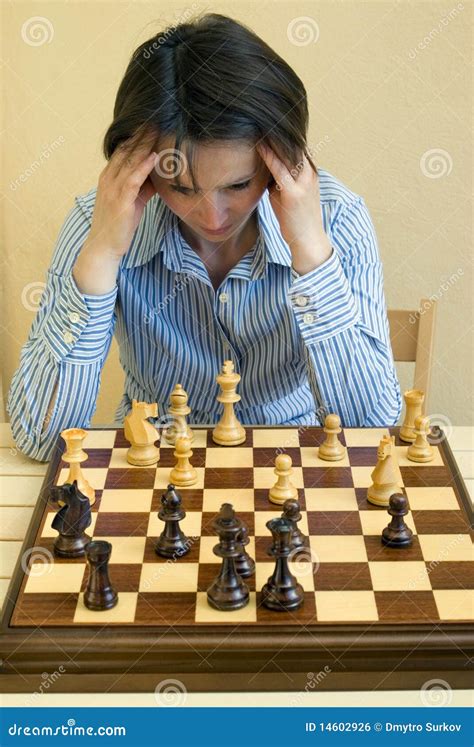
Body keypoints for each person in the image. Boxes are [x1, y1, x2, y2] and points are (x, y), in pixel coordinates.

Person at [7, 13, 402, 462]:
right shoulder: (96, 221)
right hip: (153, 469)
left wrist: (310, 253)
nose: (212, 216)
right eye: (181, 188)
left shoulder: (337, 217)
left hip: (293, 470)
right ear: (140, 169)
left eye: (237, 185)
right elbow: (41, 441)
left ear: (280, 164)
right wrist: (100, 253)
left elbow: (374, 431)